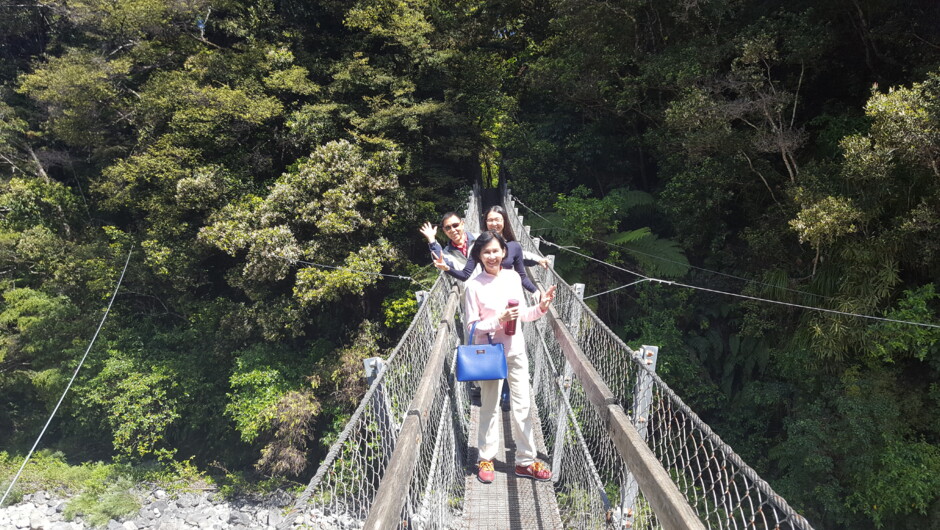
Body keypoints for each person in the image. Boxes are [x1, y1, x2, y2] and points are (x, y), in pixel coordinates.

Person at [464, 230, 557, 484]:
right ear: (479, 256)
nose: (492, 256)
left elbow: (522, 315)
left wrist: (540, 308)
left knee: (523, 406)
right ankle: (486, 458)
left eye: (496, 251)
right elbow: (472, 326)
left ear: (504, 252)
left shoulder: (514, 277)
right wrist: (497, 320)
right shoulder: (473, 286)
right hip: (490, 355)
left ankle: (525, 462)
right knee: (490, 407)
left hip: (515, 350)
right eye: (486, 252)